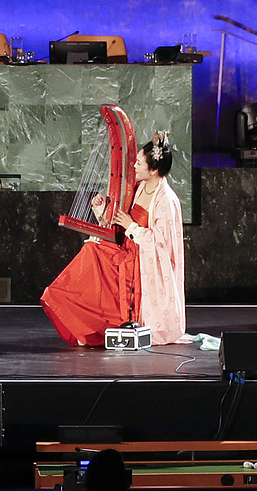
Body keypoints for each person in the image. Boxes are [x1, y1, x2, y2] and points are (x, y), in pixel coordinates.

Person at [42, 132, 188, 346]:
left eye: (139, 163)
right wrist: (102, 210)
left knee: (94, 253)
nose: (134, 167)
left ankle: (96, 325)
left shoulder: (166, 200)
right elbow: (121, 224)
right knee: (92, 249)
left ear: (154, 170)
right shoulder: (138, 189)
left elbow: (161, 244)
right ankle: (75, 314)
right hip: (127, 250)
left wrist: (132, 227)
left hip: (141, 260)